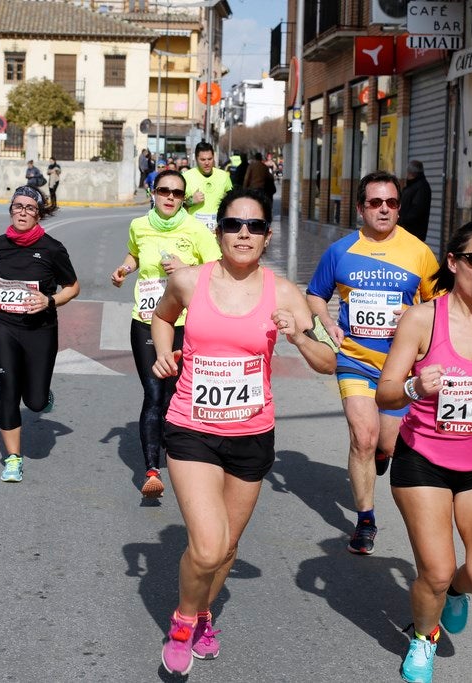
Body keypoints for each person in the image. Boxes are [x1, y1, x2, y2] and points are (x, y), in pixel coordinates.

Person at [151, 187, 336, 675]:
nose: (244, 234)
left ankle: (205, 611)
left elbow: (328, 361)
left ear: (267, 236)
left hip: (252, 434)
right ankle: (183, 621)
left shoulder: (286, 293)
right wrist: (163, 351)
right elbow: (161, 316)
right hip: (192, 426)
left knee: (228, 546)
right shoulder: (190, 282)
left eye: (255, 226)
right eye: (234, 224)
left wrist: (297, 333)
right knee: (208, 545)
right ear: (219, 231)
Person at [375, 218, 472, 683]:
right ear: (453, 262)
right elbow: (385, 393)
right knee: (437, 569)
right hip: (422, 459)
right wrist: (413, 385)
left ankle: (455, 594)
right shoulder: (423, 320)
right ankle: (423, 638)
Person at [306, 170, 440, 556]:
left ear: (399, 208)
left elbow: (440, 304)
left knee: (387, 442)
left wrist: (414, 315)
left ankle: (382, 452)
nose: (384, 209)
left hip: (400, 368)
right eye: (375, 203)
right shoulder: (340, 251)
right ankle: (365, 520)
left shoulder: (419, 252)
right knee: (362, 436)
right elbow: (316, 295)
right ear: (361, 208)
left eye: (392, 203)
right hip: (356, 361)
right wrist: (327, 323)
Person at [110, 169, 222, 498]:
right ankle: (151, 469)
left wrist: (187, 270)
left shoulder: (196, 230)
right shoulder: (139, 226)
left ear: (183, 197)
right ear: (154, 193)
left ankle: (182, 457)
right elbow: (134, 253)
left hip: (185, 325)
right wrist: (125, 270)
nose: (170, 197)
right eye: (164, 191)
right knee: (153, 393)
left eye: (176, 193)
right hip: (144, 320)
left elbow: (217, 270)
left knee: (175, 395)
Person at [0, 186, 81, 483]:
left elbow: (73, 287)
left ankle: (42, 393)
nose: (22, 212)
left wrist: (49, 300)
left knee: (34, 401)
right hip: (4, 327)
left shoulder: (52, 248)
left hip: (40, 330)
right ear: (11, 210)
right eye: (17, 206)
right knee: (8, 391)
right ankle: (12, 458)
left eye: (29, 208)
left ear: (39, 214)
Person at [182, 141, 232, 229]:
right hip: (194, 230)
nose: (207, 163)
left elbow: (232, 202)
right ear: (196, 159)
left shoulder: (223, 176)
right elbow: (177, 204)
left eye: (210, 159)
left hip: (217, 230)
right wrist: (191, 201)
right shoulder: (186, 177)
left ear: (214, 158)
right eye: (203, 160)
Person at [399, 159, 432, 242]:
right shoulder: (413, 186)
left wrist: (401, 220)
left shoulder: (421, 187)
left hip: (413, 233)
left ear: (411, 173)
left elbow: (416, 211)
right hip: (407, 232)